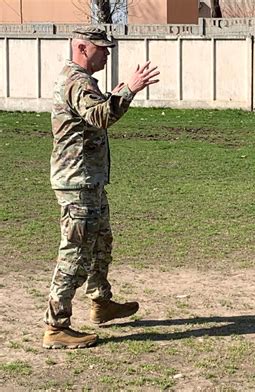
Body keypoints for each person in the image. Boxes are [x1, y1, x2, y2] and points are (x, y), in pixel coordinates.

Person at [43, 26, 160, 349]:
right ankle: (56, 326)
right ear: (82, 48)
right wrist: (129, 90)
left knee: (100, 244)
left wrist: (120, 89)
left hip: (89, 181)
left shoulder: (83, 81)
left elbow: (94, 113)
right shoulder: (76, 82)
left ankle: (100, 301)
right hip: (77, 182)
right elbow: (99, 116)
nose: (108, 53)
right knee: (75, 252)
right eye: (102, 48)